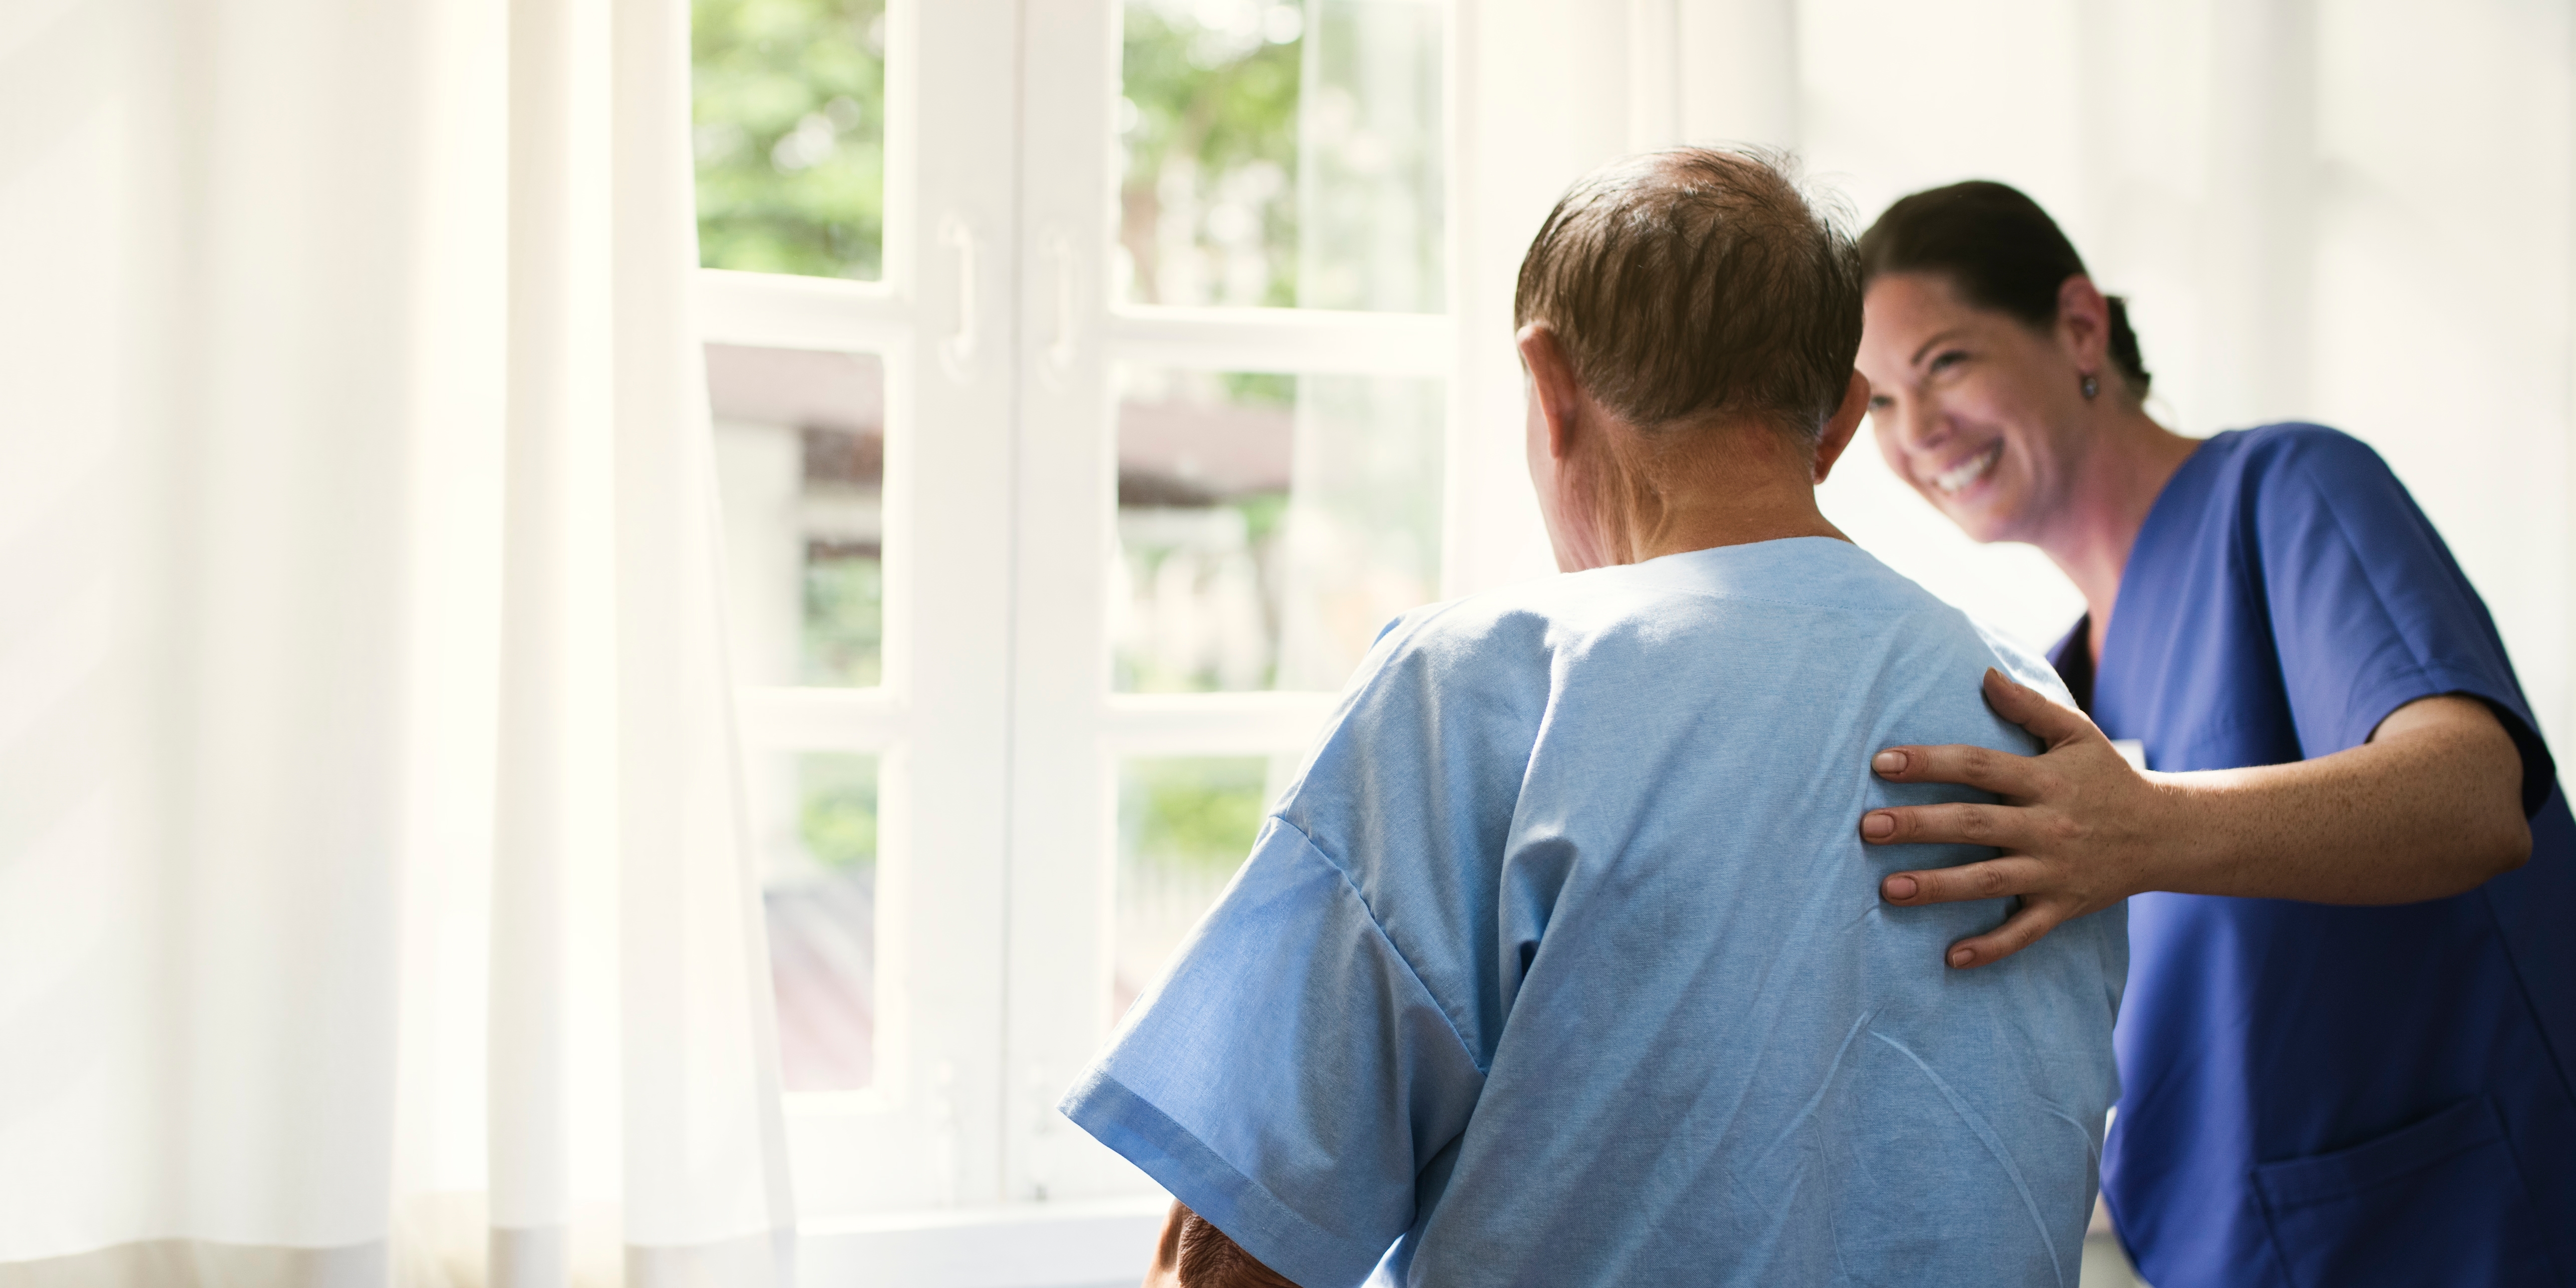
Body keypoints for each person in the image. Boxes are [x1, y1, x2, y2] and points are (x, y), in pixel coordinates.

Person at [1059, 148, 2126, 1288]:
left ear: (1549, 382)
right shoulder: (2042, 727)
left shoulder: (1477, 688)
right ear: (1844, 421)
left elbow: (1238, 1248)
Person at [1850, 180, 2576, 1287]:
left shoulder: (2283, 492)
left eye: (1944, 362)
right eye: (1881, 404)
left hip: (2450, 1229)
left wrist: (2145, 828)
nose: (1919, 430)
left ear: (2080, 328)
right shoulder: (2062, 680)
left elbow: (2473, 793)